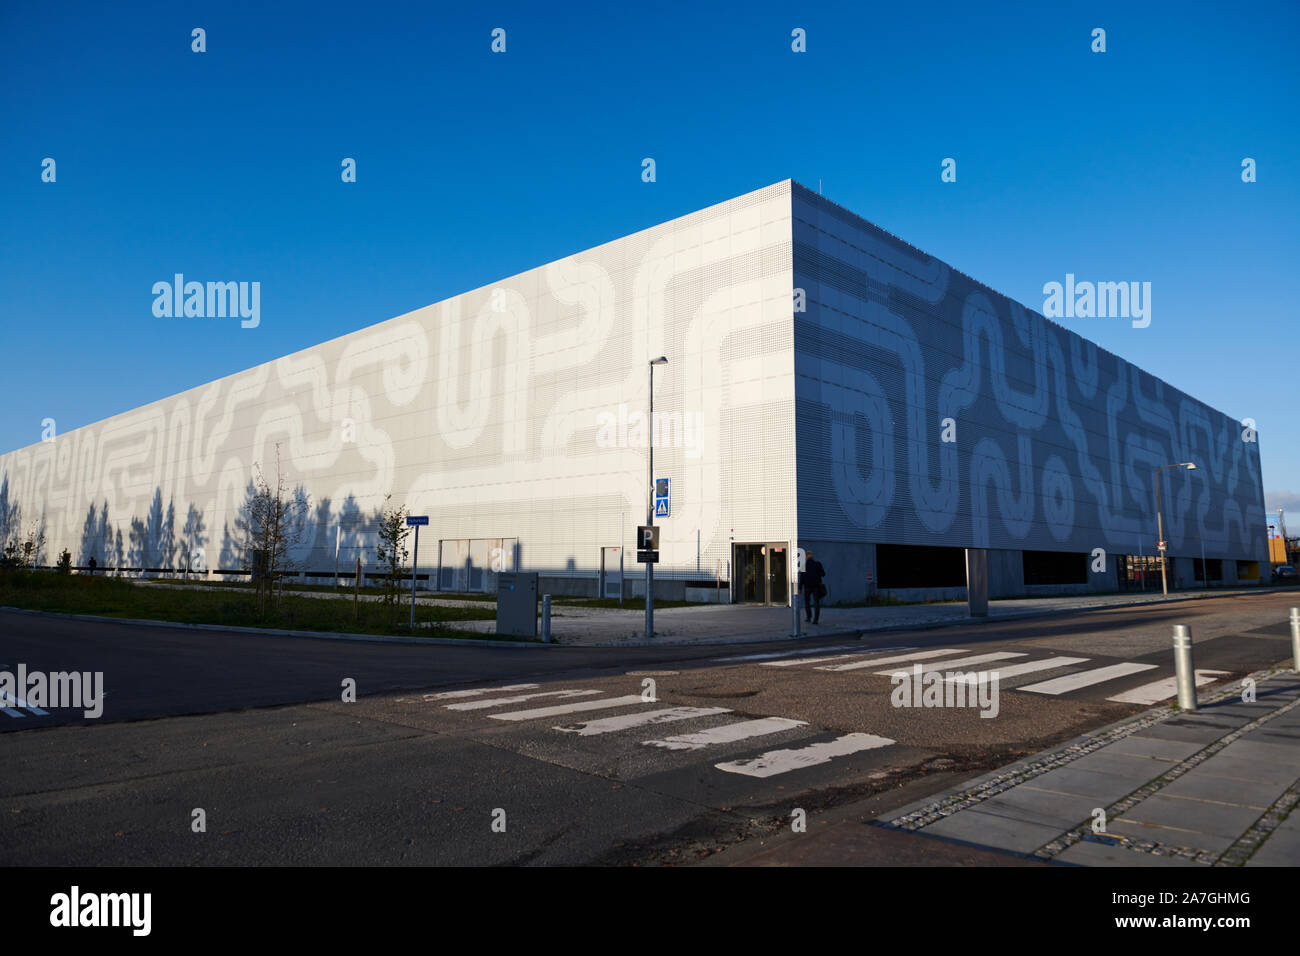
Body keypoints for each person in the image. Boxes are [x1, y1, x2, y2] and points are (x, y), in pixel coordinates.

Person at [799, 550, 827, 624]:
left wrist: (800, 588)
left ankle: (809, 617)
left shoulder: (803, 565)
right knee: (816, 603)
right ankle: (815, 620)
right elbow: (823, 574)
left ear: (806, 556)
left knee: (807, 602)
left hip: (807, 586)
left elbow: (802, 578)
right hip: (816, 586)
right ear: (812, 556)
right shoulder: (817, 564)